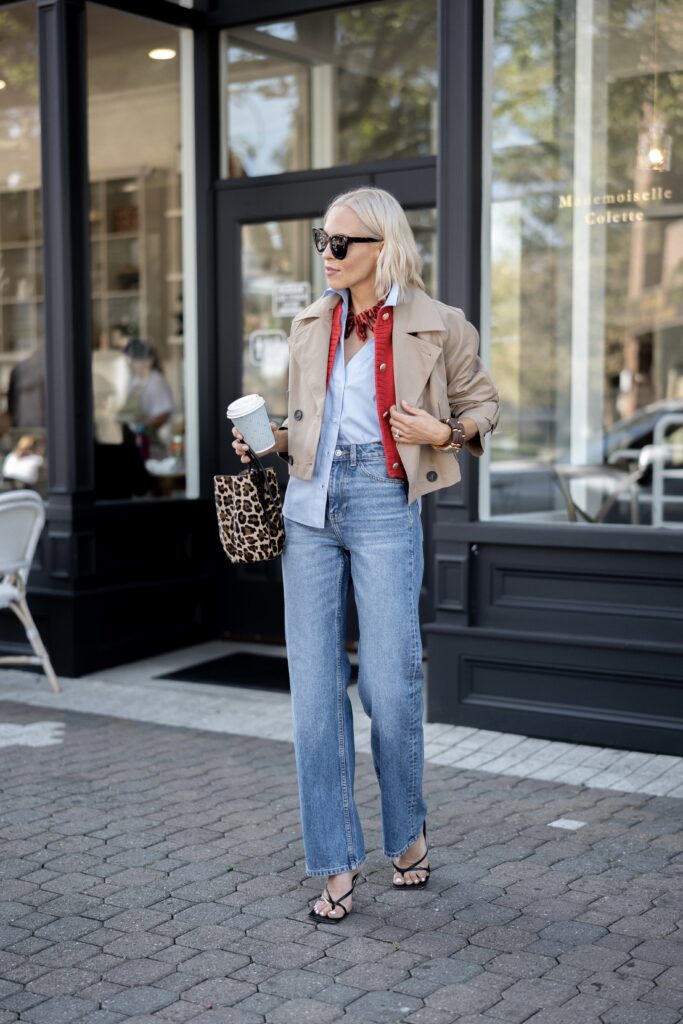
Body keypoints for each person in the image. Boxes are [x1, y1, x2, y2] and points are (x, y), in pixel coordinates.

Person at [232, 187, 499, 922]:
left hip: (385, 501)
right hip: (310, 504)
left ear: (384, 247)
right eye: (322, 239)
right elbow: (304, 423)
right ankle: (335, 861)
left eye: (342, 243)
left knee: (389, 688)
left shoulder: (440, 324)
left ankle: (406, 830)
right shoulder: (310, 322)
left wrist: (441, 434)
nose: (327, 253)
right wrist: (272, 441)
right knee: (315, 698)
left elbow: (483, 405)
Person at [121, 339, 175, 459]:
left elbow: (163, 414)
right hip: (133, 442)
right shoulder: (132, 379)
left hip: (153, 445)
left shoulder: (156, 380)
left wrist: (142, 426)